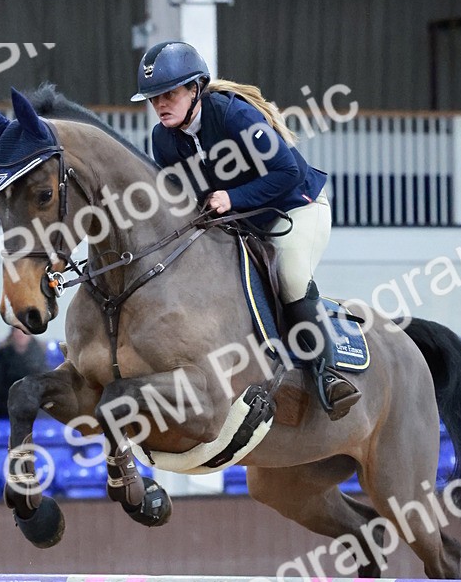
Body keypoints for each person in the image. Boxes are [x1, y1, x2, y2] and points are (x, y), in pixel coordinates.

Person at [131, 40, 359, 419]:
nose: (160, 105)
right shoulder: (162, 140)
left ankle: (329, 376)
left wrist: (231, 198)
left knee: (290, 273)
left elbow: (286, 173)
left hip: (295, 207)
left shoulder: (232, 115)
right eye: (153, 98)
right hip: (239, 223)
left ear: (195, 89)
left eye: (169, 94)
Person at [0, 327, 47, 418]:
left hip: (35, 405)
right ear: (12, 334)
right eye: (17, 331)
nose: (21, 335)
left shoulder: (39, 353)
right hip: (8, 403)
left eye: (24, 332)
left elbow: (43, 382)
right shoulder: (3, 354)